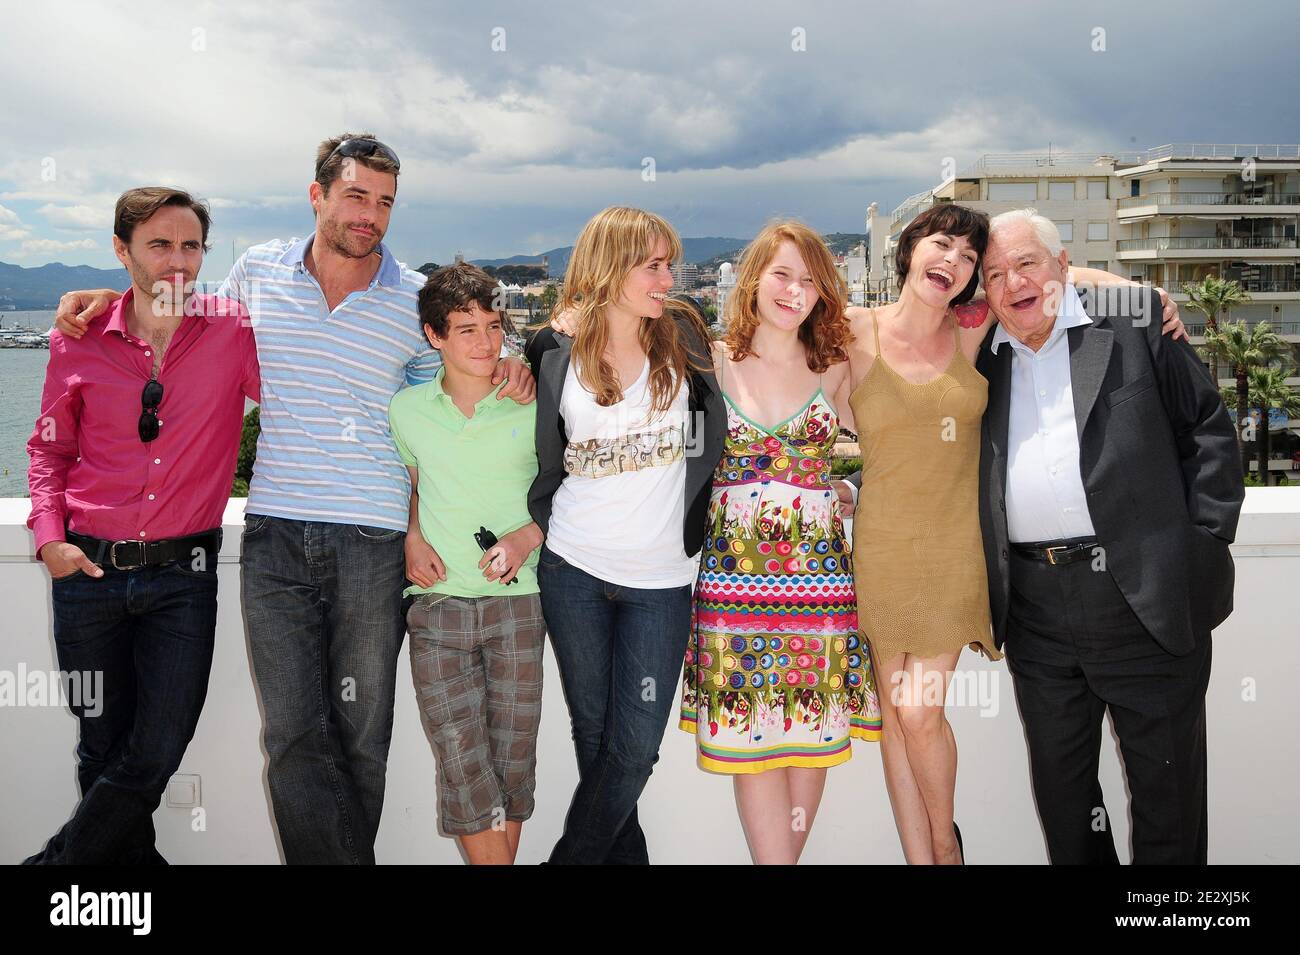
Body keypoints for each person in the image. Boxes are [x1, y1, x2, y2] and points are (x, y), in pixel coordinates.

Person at [51, 133, 536, 865]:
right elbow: (174, 312)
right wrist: (97, 297)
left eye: (384, 201)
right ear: (317, 195)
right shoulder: (258, 273)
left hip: (375, 541)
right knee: (291, 735)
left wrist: (516, 369)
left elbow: (440, 410)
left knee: (360, 736)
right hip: (276, 534)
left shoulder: (412, 299)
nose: (370, 214)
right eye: (355, 195)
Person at [844, 203, 1186, 864]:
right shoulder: (855, 330)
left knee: (918, 713)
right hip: (892, 548)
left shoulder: (970, 329)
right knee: (901, 720)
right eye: (944, 245)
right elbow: (764, 351)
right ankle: (932, 858)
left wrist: (1140, 292)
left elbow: (1041, 273)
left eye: (969, 258)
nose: (958, 263)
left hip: (961, 553)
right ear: (909, 247)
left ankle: (948, 844)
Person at [975, 208, 1242, 864]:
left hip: (1147, 600)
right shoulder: (979, 359)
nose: (1013, 283)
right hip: (1037, 614)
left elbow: (1209, 430)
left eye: (1027, 264)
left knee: (1168, 803)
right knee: (1068, 810)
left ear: (1062, 266)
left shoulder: (1134, 324)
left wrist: (1201, 545)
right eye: (994, 274)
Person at [25, 187, 258, 863]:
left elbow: (309, 378)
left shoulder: (233, 329)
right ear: (122, 250)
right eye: (159, 244)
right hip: (86, 576)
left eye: (190, 245)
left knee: (153, 751)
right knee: (103, 751)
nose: (178, 261)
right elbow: (48, 448)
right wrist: (49, 538)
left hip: (183, 581)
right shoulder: (78, 340)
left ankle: (55, 870)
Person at [524, 206, 724, 864]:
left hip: (662, 580)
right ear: (612, 267)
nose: (668, 277)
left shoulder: (687, 335)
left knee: (634, 749)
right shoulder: (552, 347)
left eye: (670, 263)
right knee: (598, 741)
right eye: (654, 265)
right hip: (573, 570)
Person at [677, 221, 880, 864]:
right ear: (752, 278)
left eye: (810, 280)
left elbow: (905, 442)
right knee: (750, 742)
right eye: (781, 274)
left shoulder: (840, 366)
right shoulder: (707, 360)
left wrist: (855, 492)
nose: (794, 291)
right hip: (733, 587)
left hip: (819, 588)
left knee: (809, 735)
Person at [389, 262, 545, 865]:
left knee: (511, 766)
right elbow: (413, 489)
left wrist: (525, 538)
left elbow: (567, 491)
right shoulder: (407, 410)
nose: (485, 343)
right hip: (436, 606)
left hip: (520, 605)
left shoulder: (534, 403)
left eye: (493, 326)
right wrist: (410, 536)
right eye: (466, 330)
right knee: (461, 763)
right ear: (434, 337)